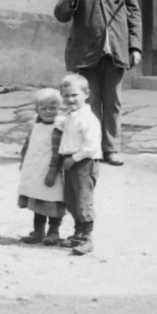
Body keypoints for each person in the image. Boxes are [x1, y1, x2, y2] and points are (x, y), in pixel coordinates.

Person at [53, 0, 140, 164]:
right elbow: (61, 15)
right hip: (86, 53)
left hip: (114, 51)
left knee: (113, 102)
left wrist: (135, 47)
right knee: (89, 103)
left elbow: (134, 13)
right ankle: (91, 148)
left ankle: (111, 149)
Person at [51, 71, 104, 256]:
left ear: (86, 94)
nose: (70, 99)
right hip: (71, 162)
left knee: (83, 201)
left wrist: (74, 159)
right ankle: (78, 233)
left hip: (84, 162)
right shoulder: (71, 115)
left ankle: (87, 239)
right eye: (66, 96)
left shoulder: (88, 119)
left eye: (75, 95)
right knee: (71, 200)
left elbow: (91, 147)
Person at [16, 86, 68, 246]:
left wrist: (53, 172)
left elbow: (58, 151)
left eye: (52, 108)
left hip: (51, 171)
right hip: (36, 170)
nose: (48, 111)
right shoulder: (35, 124)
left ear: (59, 108)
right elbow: (28, 144)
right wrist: (23, 161)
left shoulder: (60, 126)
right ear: (37, 109)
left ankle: (54, 232)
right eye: (43, 108)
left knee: (52, 202)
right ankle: (37, 231)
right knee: (37, 200)